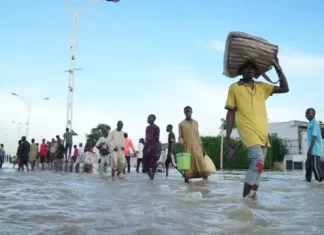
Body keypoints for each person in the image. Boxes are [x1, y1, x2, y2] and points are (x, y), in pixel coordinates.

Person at [225, 57, 289, 199]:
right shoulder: (234, 87)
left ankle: (252, 197)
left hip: (263, 133)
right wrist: (228, 135)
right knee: (257, 162)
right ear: (241, 71)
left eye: (252, 68)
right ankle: (245, 198)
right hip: (248, 131)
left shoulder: (262, 86)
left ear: (255, 71)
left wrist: (278, 68)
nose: (249, 70)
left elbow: (285, 88)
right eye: (246, 67)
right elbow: (230, 112)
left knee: (260, 167)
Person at [179, 106, 208, 183]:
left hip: (197, 147)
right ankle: (187, 185)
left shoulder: (196, 123)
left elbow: (198, 135)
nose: (188, 113)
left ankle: (205, 184)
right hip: (187, 147)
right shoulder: (181, 124)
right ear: (184, 113)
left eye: (189, 111)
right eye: (186, 112)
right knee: (188, 166)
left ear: (192, 112)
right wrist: (182, 143)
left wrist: (203, 148)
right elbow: (180, 136)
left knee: (201, 164)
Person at [305, 108, 324, 183]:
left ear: (313, 114)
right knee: (308, 166)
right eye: (306, 113)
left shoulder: (315, 123)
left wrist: (310, 150)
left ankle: (320, 182)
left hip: (315, 149)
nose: (306, 115)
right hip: (311, 149)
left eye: (308, 113)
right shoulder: (310, 123)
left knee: (315, 167)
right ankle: (308, 182)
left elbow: (314, 137)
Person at [143, 114, 160, 180]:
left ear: (153, 119)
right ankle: (150, 177)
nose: (148, 119)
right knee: (144, 164)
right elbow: (146, 138)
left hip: (153, 148)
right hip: (146, 147)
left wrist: (151, 148)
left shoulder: (156, 128)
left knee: (153, 163)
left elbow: (157, 139)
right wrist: (146, 146)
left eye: (149, 118)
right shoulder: (147, 128)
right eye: (148, 118)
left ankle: (152, 178)